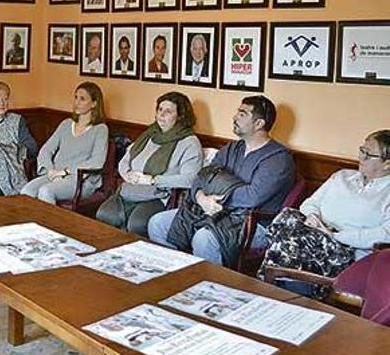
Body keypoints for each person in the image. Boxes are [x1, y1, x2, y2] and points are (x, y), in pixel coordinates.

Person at [148, 96, 294, 266]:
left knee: (204, 239)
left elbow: (251, 197)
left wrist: (217, 196)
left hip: (252, 223)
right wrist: (202, 198)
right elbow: (201, 177)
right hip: (213, 210)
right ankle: (176, 274)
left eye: (242, 114)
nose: (234, 117)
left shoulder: (278, 159)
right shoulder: (232, 148)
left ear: (259, 124)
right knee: (157, 223)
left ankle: (208, 287)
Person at [258, 130, 390, 285]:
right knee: (288, 216)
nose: (361, 157)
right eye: (362, 150)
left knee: (290, 238)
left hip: (345, 249)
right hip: (312, 231)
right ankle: (280, 286)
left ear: (387, 164)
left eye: (368, 154)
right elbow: (309, 204)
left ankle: (270, 284)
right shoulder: (342, 176)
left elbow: (385, 234)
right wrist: (313, 218)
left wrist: (335, 235)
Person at [95, 92, 203, 236]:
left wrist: (153, 180)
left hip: (157, 196)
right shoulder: (149, 134)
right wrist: (127, 174)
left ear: (181, 116)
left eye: (168, 111)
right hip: (129, 191)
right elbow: (126, 159)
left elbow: (190, 179)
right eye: (160, 109)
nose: (161, 115)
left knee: (136, 224)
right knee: (104, 214)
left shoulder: (189, 142)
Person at [21, 82, 109, 204]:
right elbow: (46, 150)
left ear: (94, 103)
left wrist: (66, 171)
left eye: (82, 99)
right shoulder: (66, 124)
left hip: (80, 180)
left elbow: (97, 161)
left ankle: (49, 223)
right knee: (27, 191)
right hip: (55, 174)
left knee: (46, 191)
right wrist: (51, 170)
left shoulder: (100, 129)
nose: (77, 103)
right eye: (76, 97)